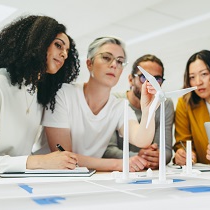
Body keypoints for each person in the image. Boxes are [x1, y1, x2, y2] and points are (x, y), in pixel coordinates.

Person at [0, 15, 80, 176]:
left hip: (18, 185)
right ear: (38, 42)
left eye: (67, 51)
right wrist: (41, 161)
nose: (64, 55)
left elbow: (18, 157)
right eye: (58, 45)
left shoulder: (38, 94)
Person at [39, 36, 157, 172]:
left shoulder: (119, 106)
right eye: (107, 57)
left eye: (120, 61)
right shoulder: (62, 94)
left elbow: (142, 140)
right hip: (46, 175)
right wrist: (118, 164)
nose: (114, 65)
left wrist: (149, 110)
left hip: (86, 178)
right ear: (89, 63)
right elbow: (63, 156)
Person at [103, 54, 174, 169]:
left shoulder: (165, 103)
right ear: (131, 79)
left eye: (157, 79)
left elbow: (165, 150)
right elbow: (107, 150)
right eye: (144, 77)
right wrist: (138, 157)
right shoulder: (115, 102)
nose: (150, 84)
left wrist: (159, 156)